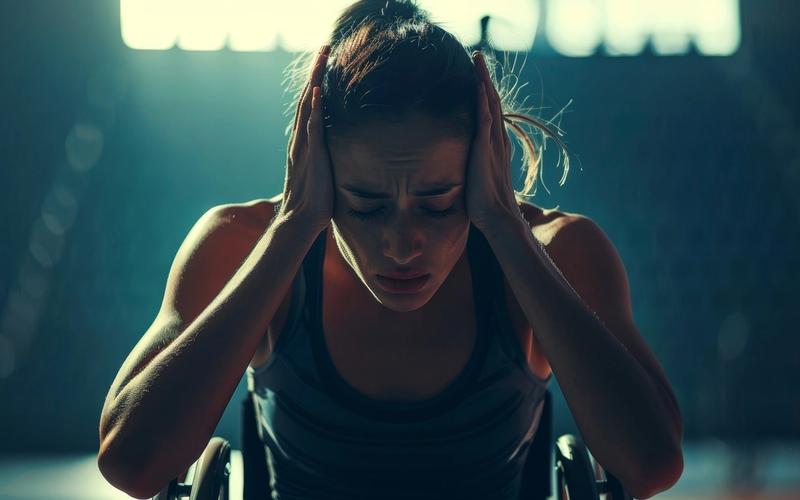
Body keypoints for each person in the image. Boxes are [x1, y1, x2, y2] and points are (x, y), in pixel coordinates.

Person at [97, 1, 684, 498]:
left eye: (437, 202)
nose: (403, 245)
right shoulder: (241, 245)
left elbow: (651, 464)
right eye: (365, 204)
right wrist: (294, 227)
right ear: (317, 168)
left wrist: (504, 228)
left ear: (484, 169)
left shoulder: (556, 250)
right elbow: (132, 463)